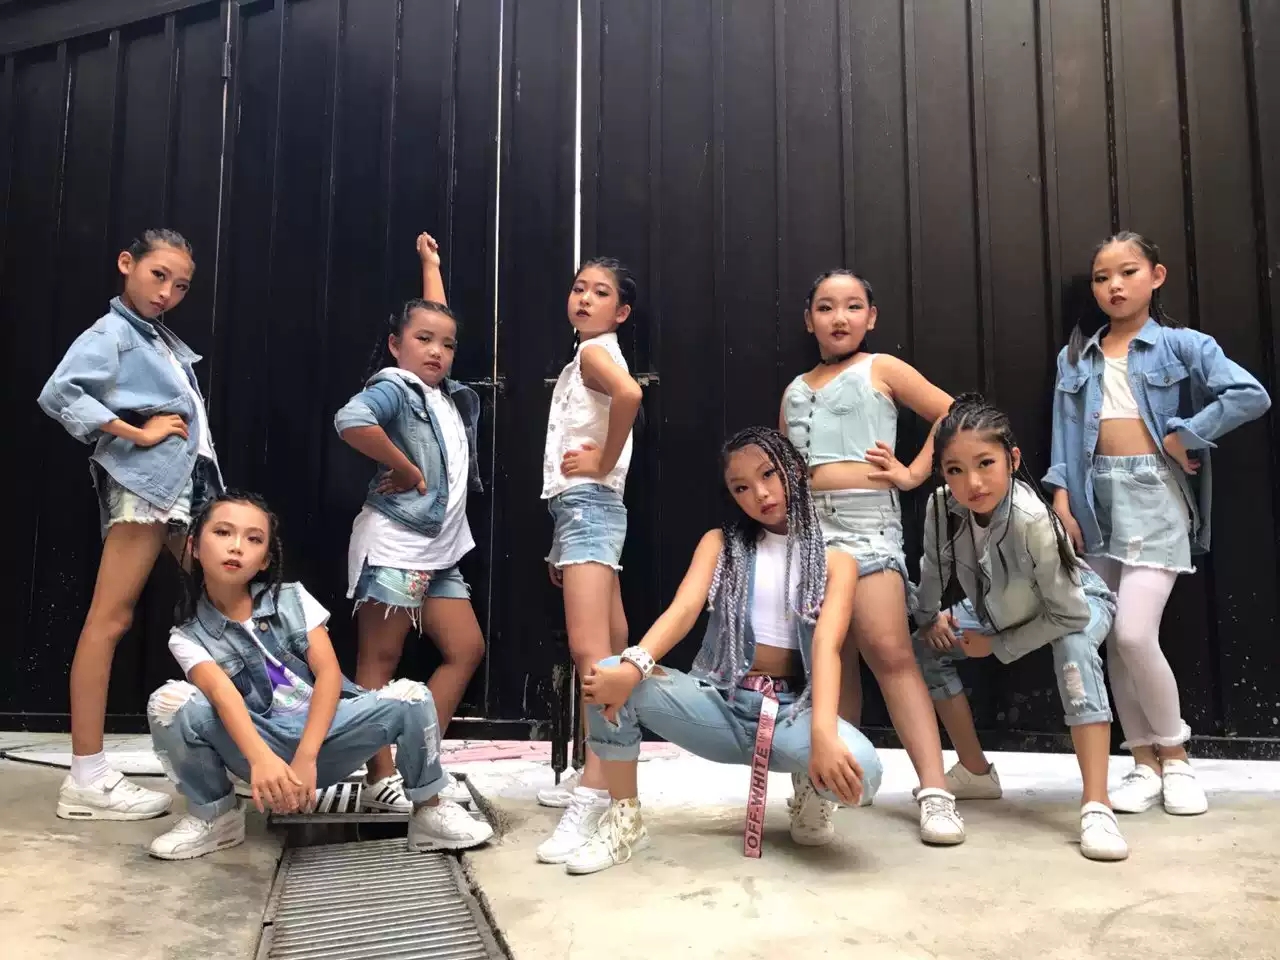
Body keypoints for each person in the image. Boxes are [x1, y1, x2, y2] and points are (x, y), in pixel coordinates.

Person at [553, 427, 881, 875]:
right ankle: (624, 818)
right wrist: (633, 666)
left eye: (769, 474)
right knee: (606, 676)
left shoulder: (837, 561)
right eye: (741, 487)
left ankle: (810, 783)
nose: (759, 494)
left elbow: (827, 647)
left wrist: (822, 733)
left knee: (865, 774)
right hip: (721, 703)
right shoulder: (721, 544)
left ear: (795, 470)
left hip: (790, 714)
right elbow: (683, 611)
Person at [1046, 232, 1271, 816]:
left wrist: (1185, 435)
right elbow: (1064, 434)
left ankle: (1177, 756)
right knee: (1111, 643)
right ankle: (1143, 763)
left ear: (1157, 275)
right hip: (1093, 502)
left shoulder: (1182, 345)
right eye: (1102, 277)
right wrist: (1062, 498)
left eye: (1128, 272)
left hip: (1153, 496)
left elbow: (1249, 394)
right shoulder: (1077, 357)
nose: (1114, 286)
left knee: (1133, 634)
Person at [144, 490, 493, 859]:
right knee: (170, 703)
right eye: (222, 533)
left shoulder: (293, 599)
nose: (236, 547)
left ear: (265, 560)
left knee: (412, 696)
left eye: (254, 539)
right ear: (194, 547)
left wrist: (307, 757)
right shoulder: (187, 636)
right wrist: (261, 760)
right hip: (257, 748)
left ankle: (429, 811)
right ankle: (216, 816)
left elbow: (328, 674)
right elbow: (221, 693)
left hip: (325, 739)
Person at [37, 229, 223, 821]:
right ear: (127, 264)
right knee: (110, 618)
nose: (167, 292)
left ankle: (249, 749)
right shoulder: (112, 332)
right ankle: (87, 777)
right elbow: (60, 392)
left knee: (230, 602)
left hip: (182, 486)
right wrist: (135, 431)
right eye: (158, 275)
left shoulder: (155, 337)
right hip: (146, 486)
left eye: (181, 285)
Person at [779, 269, 962, 844]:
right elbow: (783, 463)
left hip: (867, 525)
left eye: (853, 305)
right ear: (808, 319)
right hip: (808, 532)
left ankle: (936, 793)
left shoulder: (882, 368)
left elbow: (953, 414)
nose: (839, 317)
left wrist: (913, 473)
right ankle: (833, 784)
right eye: (825, 307)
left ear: (871, 316)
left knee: (890, 651)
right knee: (830, 659)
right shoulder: (794, 388)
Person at [912, 394, 1128, 860]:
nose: (972, 482)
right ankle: (974, 772)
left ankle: (1097, 806)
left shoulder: (1034, 520)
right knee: (924, 647)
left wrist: (996, 645)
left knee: (1074, 650)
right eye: (954, 470)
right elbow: (932, 571)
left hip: (1074, 603)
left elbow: (1070, 613)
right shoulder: (941, 508)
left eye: (985, 463)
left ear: (1012, 459)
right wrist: (929, 619)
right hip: (998, 609)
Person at [334, 233, 483, 812]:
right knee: (380, 661)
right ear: (396, 345)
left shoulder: (439, 392)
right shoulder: (396, 385)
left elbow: (433, 318)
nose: (437, 351)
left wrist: (431, 265)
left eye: (447, 345)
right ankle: (380, 777)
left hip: (439, 552)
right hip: (397, 545)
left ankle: (420, 760)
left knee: (465, 648)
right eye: (422, 341)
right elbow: (351, 421)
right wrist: (405, 467)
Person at [534, 258, 644, 864]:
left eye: (600, 293)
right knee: (613, 641)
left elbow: (630, 395)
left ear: (620, 312)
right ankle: (604, 770)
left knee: (591, 653)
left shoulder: (596, 354)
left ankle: (595, 790)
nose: (584, 298)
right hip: (584, 511)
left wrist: (601, 461)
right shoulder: (592, 354)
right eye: (579, 287)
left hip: (589, 507)